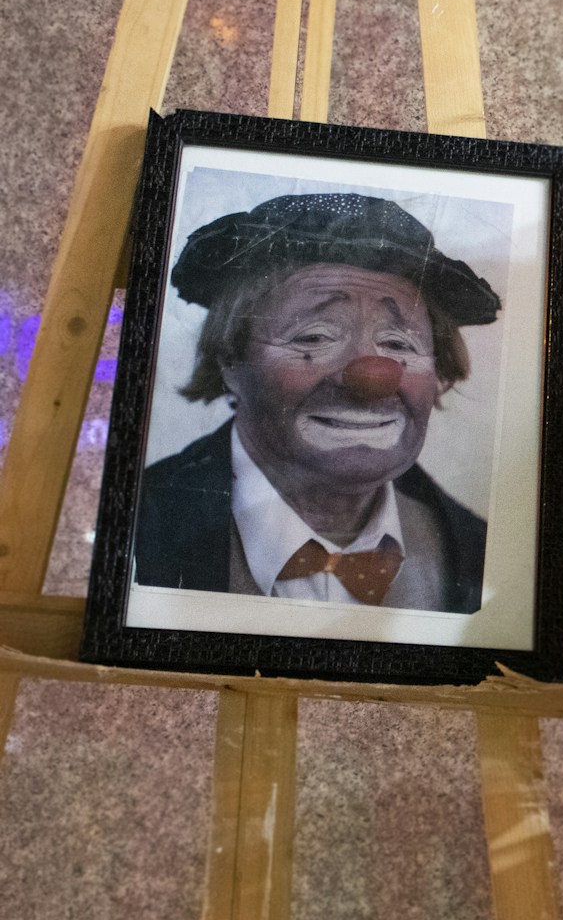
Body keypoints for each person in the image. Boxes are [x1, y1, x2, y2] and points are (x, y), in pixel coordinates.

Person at [134, 192, 497, 614]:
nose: (369, 378)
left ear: (440, 375)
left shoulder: (478, 554)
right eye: (314, 337)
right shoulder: (137, 525)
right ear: (230, 359)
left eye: (398, 343)